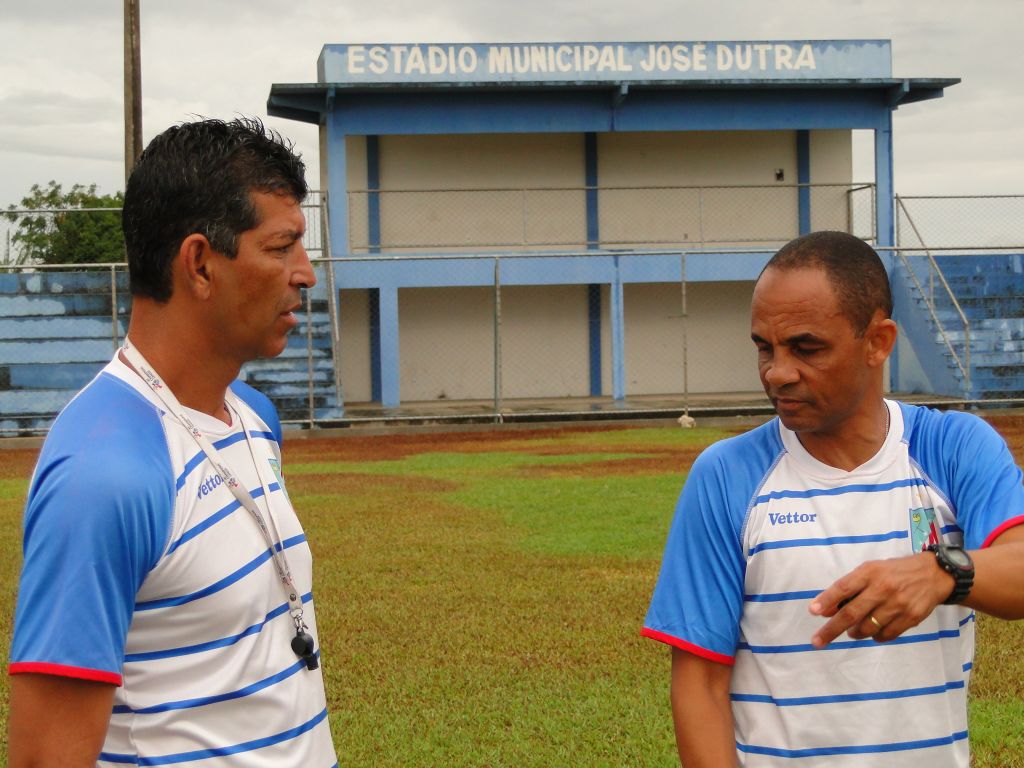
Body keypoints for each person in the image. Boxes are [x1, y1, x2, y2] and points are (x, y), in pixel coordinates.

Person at [7, 118, 337, 767]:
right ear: (200, 264)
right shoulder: (104, 473)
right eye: (282, 247)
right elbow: (46, 757)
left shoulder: (252, 418)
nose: (306, 274)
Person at [642, 230, 1024, 767]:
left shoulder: (953, 447)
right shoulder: (726, 476)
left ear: (878, 341)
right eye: (764, 347)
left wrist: (942, 572)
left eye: (806, 347)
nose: (778, 372)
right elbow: (700, 686)